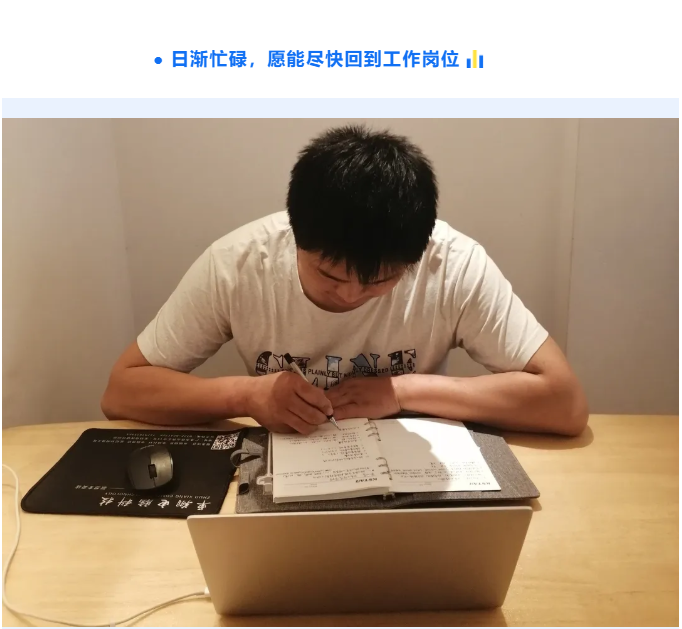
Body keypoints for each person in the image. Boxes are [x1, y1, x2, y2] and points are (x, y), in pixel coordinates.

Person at [102, 125, 588, 437]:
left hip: (412, 477)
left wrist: (401, 391)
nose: (352, 295)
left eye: (382, 281)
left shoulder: (454, 263)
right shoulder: (237, 264)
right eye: (329, 275)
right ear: (294, 236)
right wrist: (246, 395)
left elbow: (564, 404)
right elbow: (122, 392)